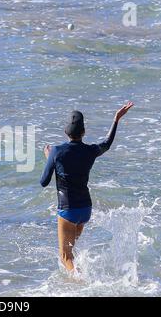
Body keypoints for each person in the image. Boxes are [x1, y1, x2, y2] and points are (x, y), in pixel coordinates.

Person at [40, 102, 134, 272]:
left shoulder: (56, 151)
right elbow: (106, 143)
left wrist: (49, 158)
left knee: (65, 257)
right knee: (72, 251)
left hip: (68, 210)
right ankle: (80, 275)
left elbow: (43, 182)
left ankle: (82, 284)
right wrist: (116, 119)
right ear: (83, 132)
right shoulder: (90, 151)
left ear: (65, 131)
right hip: (85, 209)